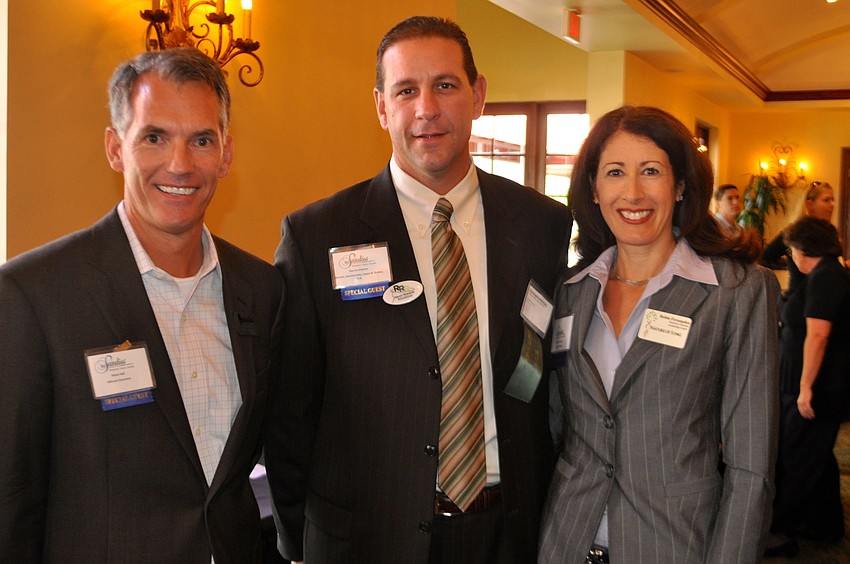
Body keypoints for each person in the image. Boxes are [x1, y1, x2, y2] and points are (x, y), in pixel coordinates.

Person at [264, 15, 572, 564]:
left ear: (477, 96)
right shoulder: (317, 236)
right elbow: (290, 409)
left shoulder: (541, 224)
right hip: (367, 541)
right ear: (382, 106)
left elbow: (543, 371)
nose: (426, 108)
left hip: (512, 531)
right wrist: (298, 541)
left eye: (445, 86)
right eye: (406, 90)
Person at [0, 48, 284, 563]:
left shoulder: (262, 291)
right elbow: (12, 499)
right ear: (116, 147)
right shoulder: (34, 296)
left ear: (226, 154)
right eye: (155, 137)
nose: (181, 164)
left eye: (202, 140)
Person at [538, 106, 780, 564]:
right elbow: (556, 429)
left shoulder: (735, 291)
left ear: (681, 185)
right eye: (614, 173)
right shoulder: (570, 292)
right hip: (565, 541)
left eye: (651, 171)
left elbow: (752, 469)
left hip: (675, 545)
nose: (632, 192)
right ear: (593, 189)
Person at [765, 217, 850, 557]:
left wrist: (804, 388)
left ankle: (781, 531)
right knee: (816, 455)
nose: (788, 256)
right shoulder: (815, 275)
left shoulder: (828, 276)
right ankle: (825, 523)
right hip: (804, 382)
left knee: (797, 458)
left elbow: (818, 335)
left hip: (817, 386)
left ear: (803, 248)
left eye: (791, 248)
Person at [760, 181, 835, 297]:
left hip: (822, 298)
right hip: (799, 300)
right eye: (826, 200)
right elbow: (765, 257)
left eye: (832, 200)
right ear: (810, 204)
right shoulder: (795, 232)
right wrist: (788, 263)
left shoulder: (829, 232)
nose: (832, 205)